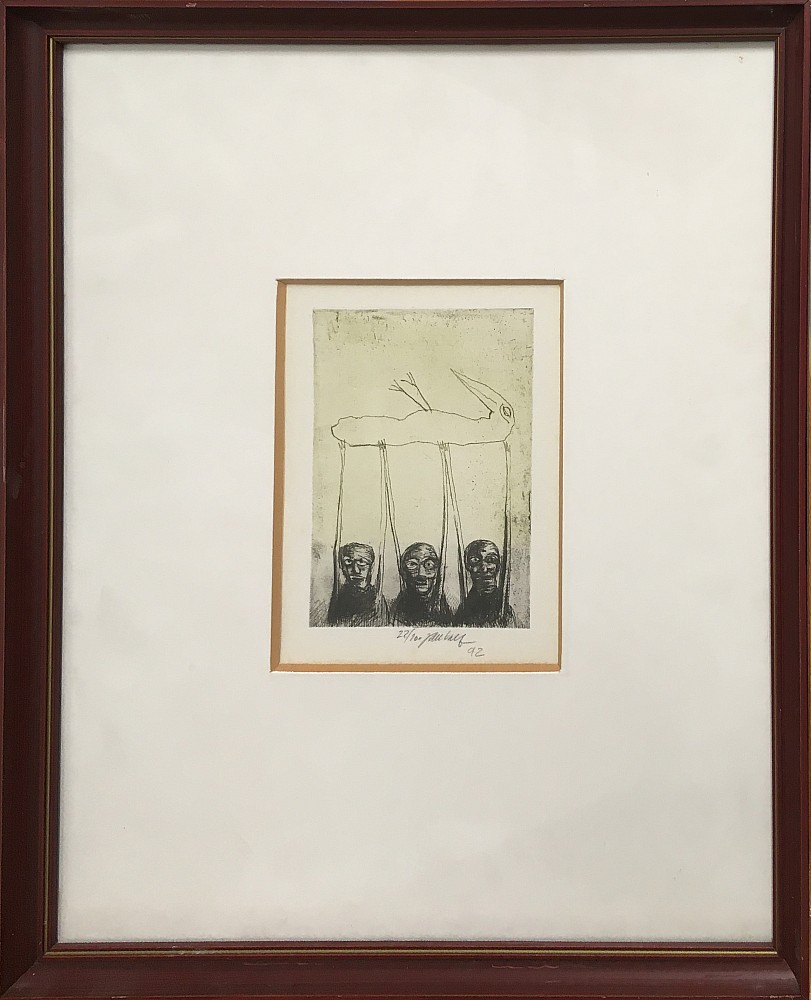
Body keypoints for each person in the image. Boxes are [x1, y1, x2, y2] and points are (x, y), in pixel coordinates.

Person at [454, 539, 518, 628]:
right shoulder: (463, 611)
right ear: (467, 565)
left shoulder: (505, 611)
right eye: (475, 560)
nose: (484, 568)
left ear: (498, 566)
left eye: (491, 559)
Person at [389, 542, 454, 626]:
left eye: (429, 564)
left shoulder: (444, 611)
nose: (421, 574)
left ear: (437, 572)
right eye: (412, 564)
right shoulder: (395, 614)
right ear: (403, 571)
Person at [327, 542, 388, 626]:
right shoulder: (339, 598)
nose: (356, 570)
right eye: (348, 562)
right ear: (342, 566)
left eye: (362, 562)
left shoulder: (377, 598)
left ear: (371, 567)